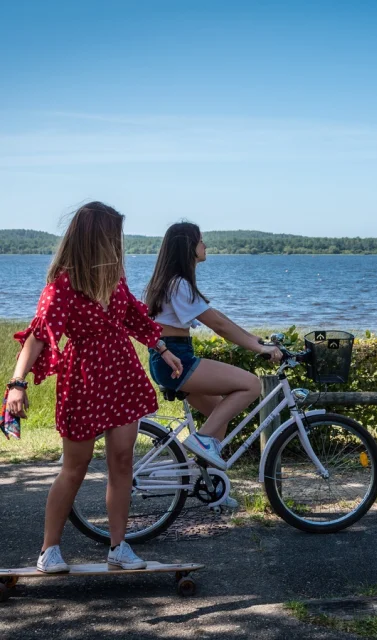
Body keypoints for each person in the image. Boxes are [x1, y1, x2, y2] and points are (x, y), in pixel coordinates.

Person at [7, 202, 183, 574]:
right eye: (113, 235)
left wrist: (163, 349)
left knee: (122, 461)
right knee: (76, 466)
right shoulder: (61, 286)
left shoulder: (115, 279)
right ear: (95, 238)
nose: (118, 243)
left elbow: (136, 315)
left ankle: (119, 546)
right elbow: (38, 337)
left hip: (121, 373)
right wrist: (16, 385)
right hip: (84, 378)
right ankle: (49, 549)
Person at [144, 222, 282, 506]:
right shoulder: (178, 284)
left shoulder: (172, 282)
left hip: (171, 358)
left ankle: (213, 490)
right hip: (177, 358)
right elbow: (217, 324)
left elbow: (218, 317)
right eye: (201, 241)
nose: (205, 246)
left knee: (220, 411)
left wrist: (256, 340)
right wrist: (258, 347)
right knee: (251, 384)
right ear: (188, 247)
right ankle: (201, 441)